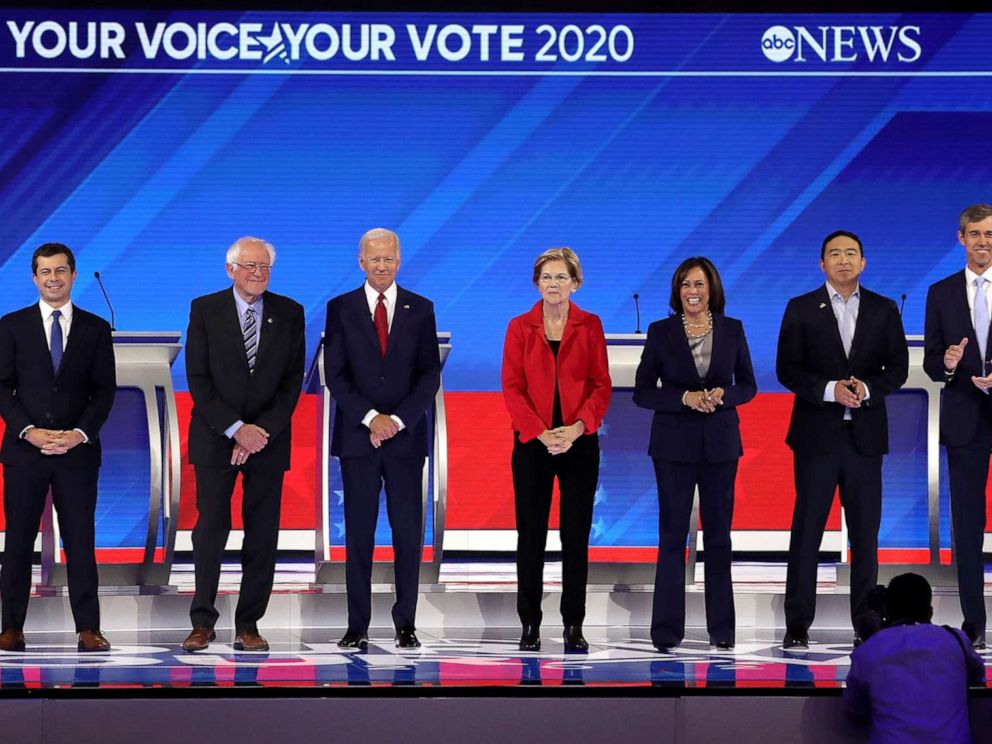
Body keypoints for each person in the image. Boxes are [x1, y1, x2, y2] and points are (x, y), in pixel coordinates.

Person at [777, 230, 909, 649]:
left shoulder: (884, 309)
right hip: (817, 436)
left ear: (864, 262)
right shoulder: (801, 308)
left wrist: (866, 389)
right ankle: (798, 624)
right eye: (834, 254)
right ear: (822, 264)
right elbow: (788, 369)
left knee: (865, 536)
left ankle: (866, 623)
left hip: (865, 438)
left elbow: (898, 368)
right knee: (807, 532)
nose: (844, 260)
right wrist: (830, 388)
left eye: (852, 253)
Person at [182, 236, 305, 652]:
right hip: (217, 437)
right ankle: (202, 622)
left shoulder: (290, 312)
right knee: (211, 531)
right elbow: (198, 379)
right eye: (250, 266)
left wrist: (258, 433)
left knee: (262, 534)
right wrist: (236, 429)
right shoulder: (205, 309)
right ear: (230, 268)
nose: (258, 274)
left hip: (268, 441)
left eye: (264, 268)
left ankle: (249, 624)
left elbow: (292, 384)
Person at [324, 228, 440, 650]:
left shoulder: (421, 308)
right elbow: (335, 374)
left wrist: (398, 420)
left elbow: (429, 374)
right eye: (374, 259)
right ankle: (357, 625)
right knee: (359, 534)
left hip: (406, 441)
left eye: (389, 258)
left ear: (399, 259)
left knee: (407, 533)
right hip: (359, 439)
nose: (382, 265)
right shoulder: (340, 308)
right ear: (360, 261)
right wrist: (372, 419)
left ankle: (405, 622)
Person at [633, 257, 756, 651]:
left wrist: (724, 395)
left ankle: (722, 631)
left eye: (700, 285)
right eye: (686, 284)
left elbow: (748, 385)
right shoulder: (660, 331)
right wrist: (683, 397)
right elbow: (642, 391)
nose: (693, 292)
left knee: (719, 537)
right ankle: (666, 633)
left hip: (720, 444)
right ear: (677, 290)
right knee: (672, 537)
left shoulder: (733, 329)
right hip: (673, 445)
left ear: (712, 289)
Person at [0, 242, 116, 652]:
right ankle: (11, 627)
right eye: (45, 272)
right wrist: (28, 430)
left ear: (73, 275)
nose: (53, 278)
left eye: (61, 271)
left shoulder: (95, 328)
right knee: (17, 543)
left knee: (80, 541)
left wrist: (78, 435)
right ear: (34, 278)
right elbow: (2, 387)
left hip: (77, 454)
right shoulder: (11, 325)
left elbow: (104, 393)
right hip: (25, 452)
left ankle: (88, 628)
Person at [501, 247, 611, 653]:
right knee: (530, 536)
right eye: (546, 277)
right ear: (536, 283)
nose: (553, 284)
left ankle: (573, 624)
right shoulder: (518, 327)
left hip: (580, 444)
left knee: (575, 537)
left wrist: (578, 428)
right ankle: (529, 624)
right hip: (533, 444)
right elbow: (512, 387)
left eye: (561, 277)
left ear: (575, 283)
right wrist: (541, 432)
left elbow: (601, 385)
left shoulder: (590, 325)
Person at [924, 203, 992, 650]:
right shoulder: (941, 292)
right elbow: (932, 363)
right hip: (965, 418)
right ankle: (975, 623)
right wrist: (947, 364)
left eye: (990, 234)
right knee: (967, 525)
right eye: (976, 234)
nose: (984, 241)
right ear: (961, 238)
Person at [845, 573, 984, 743]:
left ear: (887, 609)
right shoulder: (956, 640)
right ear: (930, 611)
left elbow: (854, 709)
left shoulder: (869, 649)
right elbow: (978, 678)